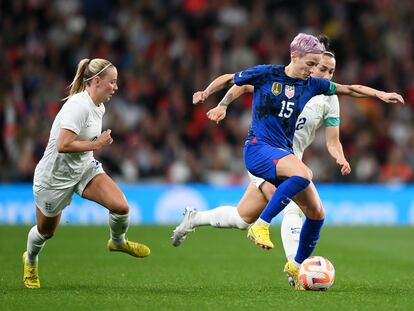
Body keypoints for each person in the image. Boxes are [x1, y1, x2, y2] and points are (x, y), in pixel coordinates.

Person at [173, 33, 404, 290]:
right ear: (301, 58)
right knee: (296, 191)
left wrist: (381, 96)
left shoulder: (323, 95)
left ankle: (196, 218)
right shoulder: (271, 75)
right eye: (318, 67)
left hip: (289, 158)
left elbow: (345, 103)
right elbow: (239, 82)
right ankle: (282, 253)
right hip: (264, 153)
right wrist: (220, 102)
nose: (322, 73)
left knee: (291, 215)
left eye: (328, 70)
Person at [22, 58, 150, 289]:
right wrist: (98, 144)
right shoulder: (78, 106)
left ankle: (117, 241)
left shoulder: (99, 106)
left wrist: (94, 147)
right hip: (54, 179)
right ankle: (30, 260)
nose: (116, 87)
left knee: (121, 207)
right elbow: (63, 144)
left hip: (83, 170)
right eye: (112, 82)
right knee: (45, 232)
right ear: (97, 81)